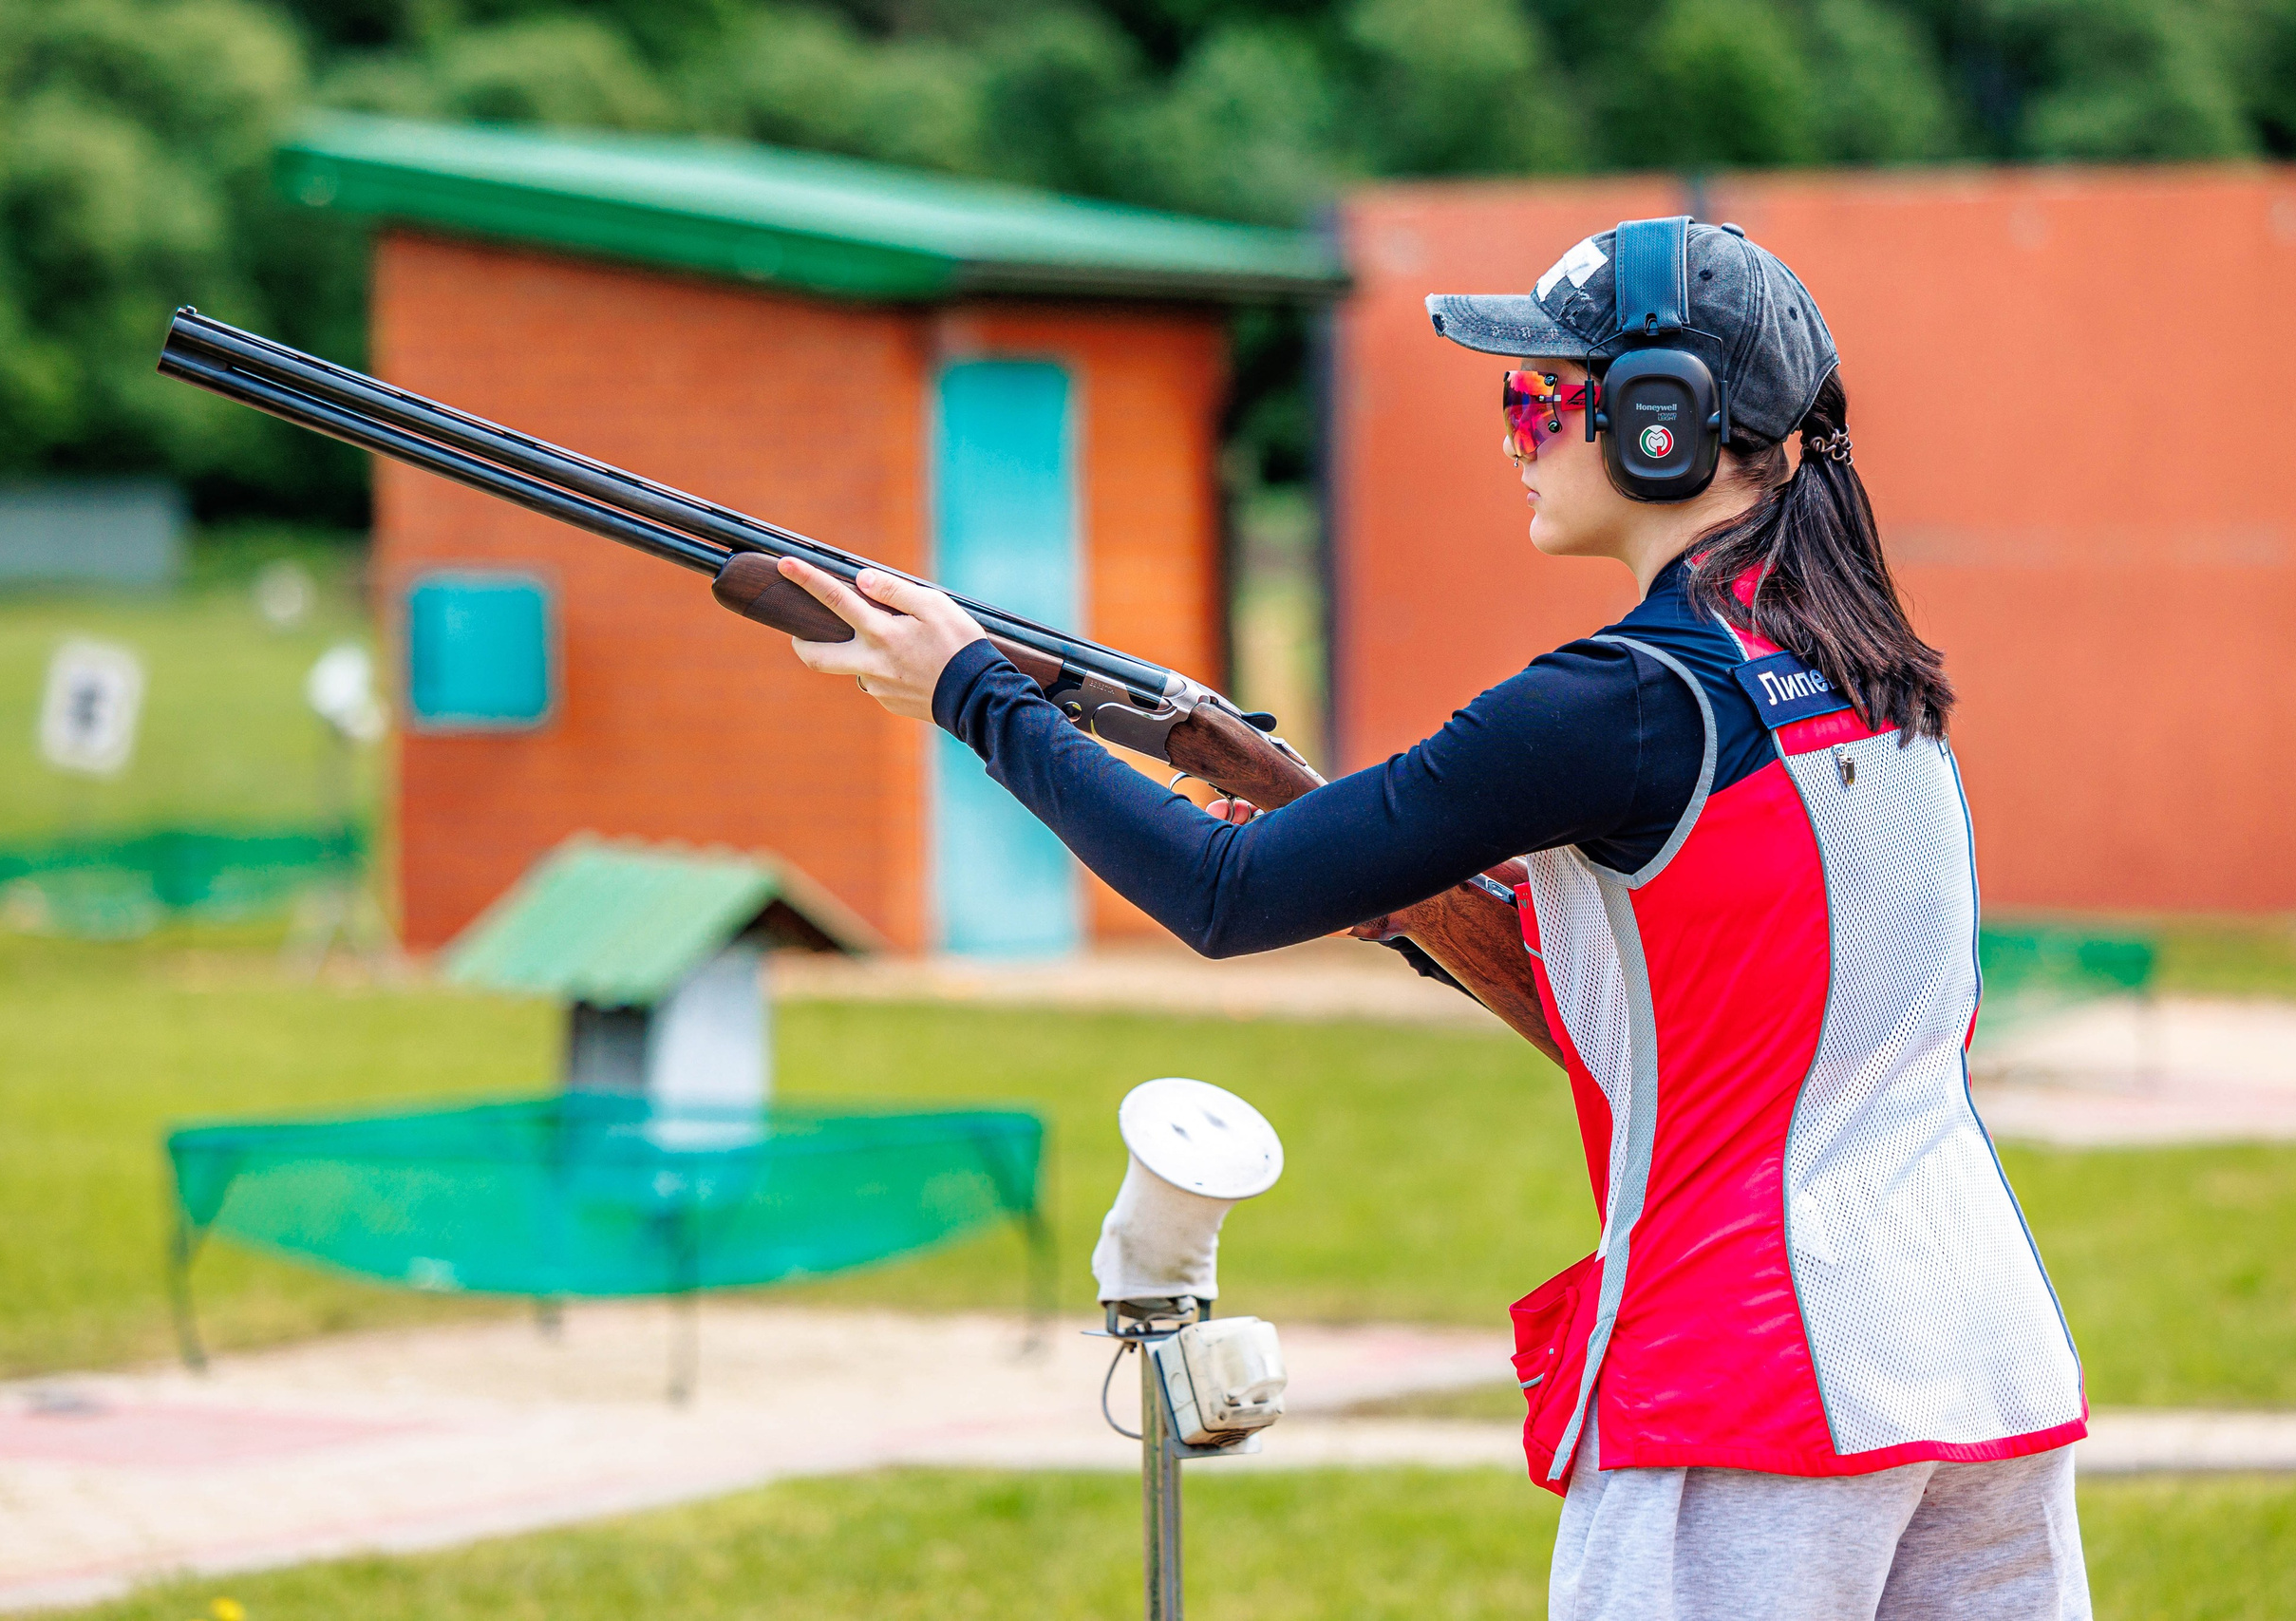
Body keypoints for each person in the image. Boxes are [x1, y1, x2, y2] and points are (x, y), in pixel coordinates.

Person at [773, 217, 2092, 1620]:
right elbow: (1681, 1002)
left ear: (1664, 425)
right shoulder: (1870, 679)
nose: (1516, 434)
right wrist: (1397, 893)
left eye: (1539, 397)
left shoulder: (1634, 698)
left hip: (1749, 1377)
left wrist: (976, 695)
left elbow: (1228, 896)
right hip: (1981, 1362)